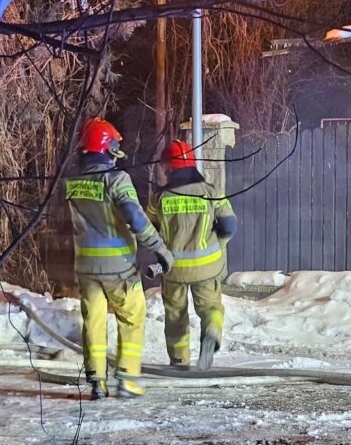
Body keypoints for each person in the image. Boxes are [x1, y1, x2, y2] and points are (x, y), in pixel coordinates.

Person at [65, 118, 175, 400]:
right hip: (119, 267)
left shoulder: (72, 182)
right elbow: (136, 218)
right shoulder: (116, 179)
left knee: (94, 322)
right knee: (132, 317)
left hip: (85, 267)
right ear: (107, 148)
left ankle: (96, 383)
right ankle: (126, 379)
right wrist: (160, 249)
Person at [149, 139, 238, 371]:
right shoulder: (210, 192)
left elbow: (149, 229)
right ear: (192, 164)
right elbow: (229, 224)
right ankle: (211, 331)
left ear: (168, 167)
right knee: (211, 308)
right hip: (207, 267)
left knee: (175, 315)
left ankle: (179, 361)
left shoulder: (160, 198)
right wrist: (218, 244)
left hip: (174, 269)